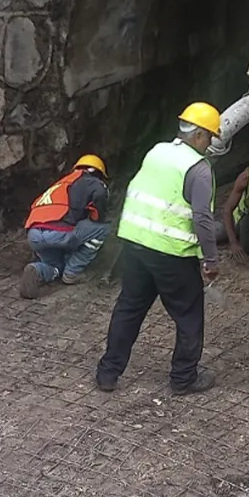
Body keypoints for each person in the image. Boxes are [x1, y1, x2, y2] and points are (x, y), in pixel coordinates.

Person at [94, 102, 224, 395]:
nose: (211, 144)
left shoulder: (158, 150)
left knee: (129, 307)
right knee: (189, 315)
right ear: (201, 135)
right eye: (211, 137)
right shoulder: (199, 170)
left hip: (136, 244)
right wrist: (210, 259)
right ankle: (183, 378)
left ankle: (108, 373)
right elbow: (202, 218)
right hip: (172, 253)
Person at [18, 154, 111, 300]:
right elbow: (99, 194)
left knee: (56, 266)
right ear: (97, 172)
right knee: (103, 229)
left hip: (34, 233)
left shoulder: (62, 183)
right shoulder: (91, 181)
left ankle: (37, 269)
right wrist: (99, 217)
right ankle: (72, 272)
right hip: (58, 231)